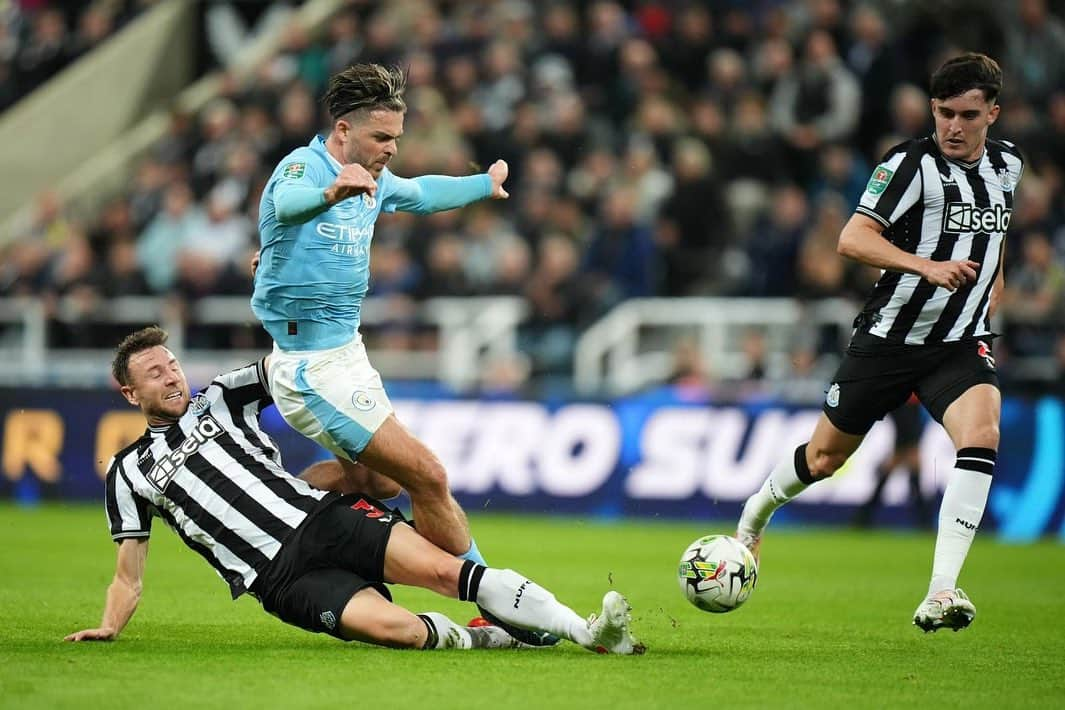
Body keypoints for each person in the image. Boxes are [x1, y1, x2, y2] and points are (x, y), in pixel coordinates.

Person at [65, 327, 645, 655]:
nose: (171, 376)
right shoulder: (128, 472)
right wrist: (111, 625)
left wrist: (287, 289)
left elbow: (293, 363)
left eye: (172, 365)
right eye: (155, 374)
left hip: (323, 518)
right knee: (400, 631)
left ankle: (588, 630)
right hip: (281, 581)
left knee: (449, 573)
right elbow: (127, 573)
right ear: (127, 393)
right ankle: (496, 637)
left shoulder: (220, 398)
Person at [249, 63, 540, 641]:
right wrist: (332, 191)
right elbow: (286, 206)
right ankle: (495, 603)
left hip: (347, 354)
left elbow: (421, 193)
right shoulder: (305, 167)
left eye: (396, 140)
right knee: (428, 476)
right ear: (342, 130)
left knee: (377, 484)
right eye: (381, 138)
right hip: (311, 368)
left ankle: (264, 514)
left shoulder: (375, 181)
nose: (389, 150)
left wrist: (482, 184)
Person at [734, 53, 1023, 633]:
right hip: (889, 340)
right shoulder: (909, 165)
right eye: (944, 113)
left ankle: (942, 590)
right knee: (823, 458)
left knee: (983, 432)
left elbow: (997, 235)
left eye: (968, 114)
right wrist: (924, 266)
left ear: (993, 113)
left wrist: (995, 281)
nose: (954, 127)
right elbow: (852, 237)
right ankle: (750, 522)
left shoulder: (1009, 165)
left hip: (959, 342)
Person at [852, 395, 930, 529]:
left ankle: (864, 515)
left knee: (904, 455)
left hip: (909, 401)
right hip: (904, 400)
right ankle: (923, 519)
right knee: (910, 455)